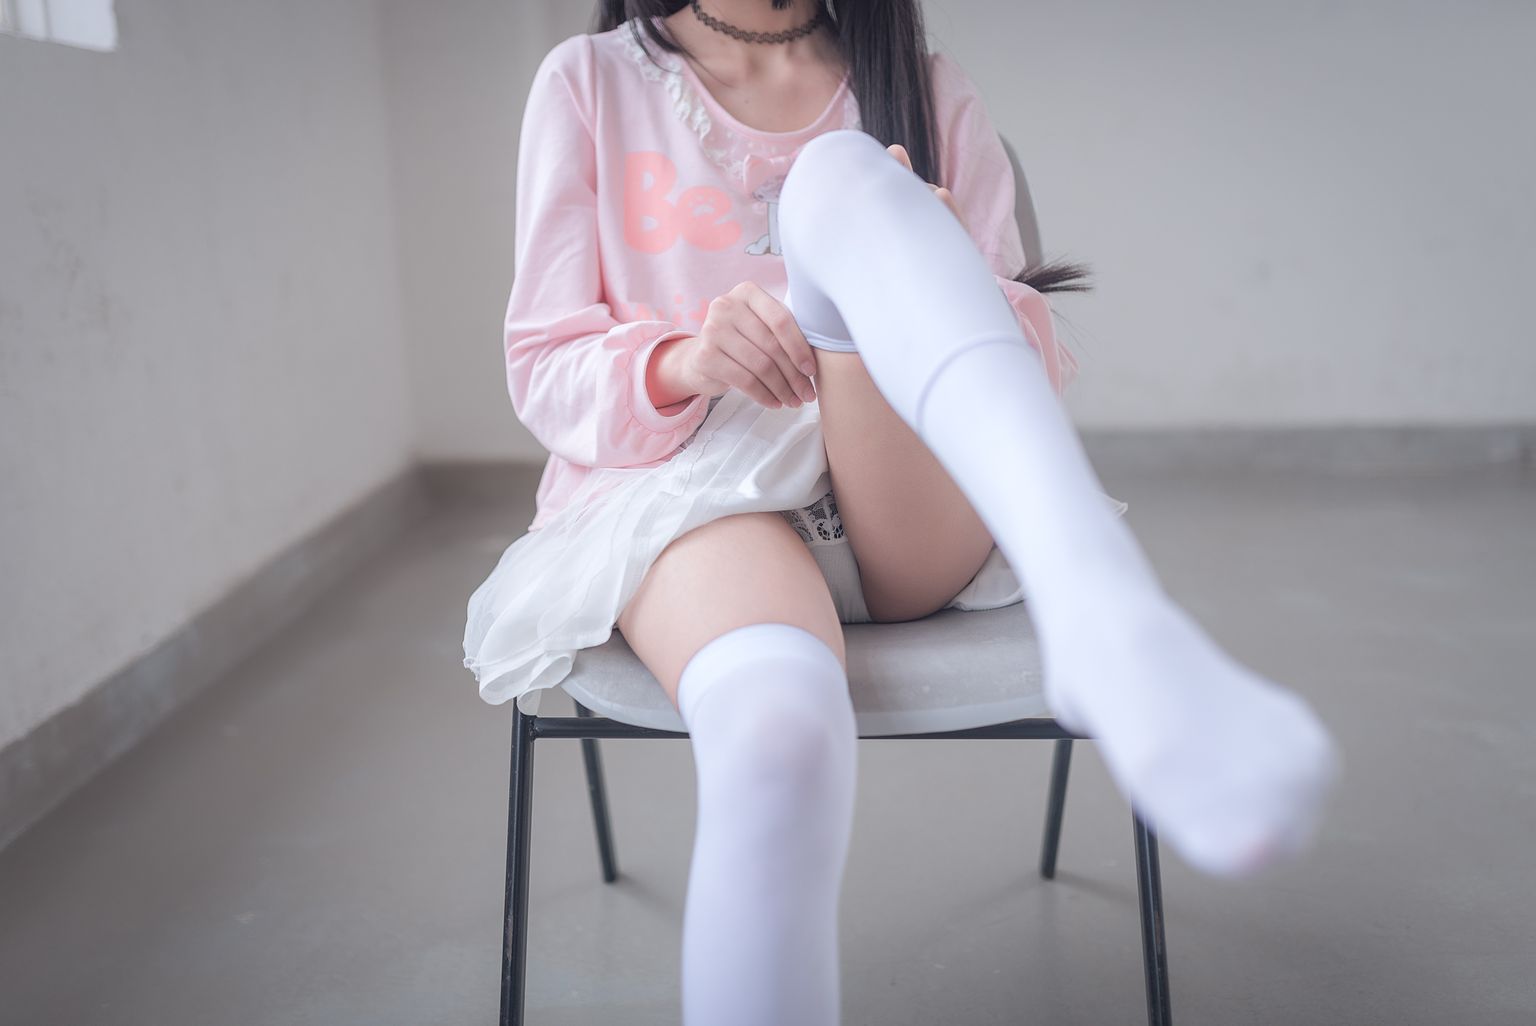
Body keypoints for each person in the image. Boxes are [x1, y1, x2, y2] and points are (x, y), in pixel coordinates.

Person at [463, 3, 1341, 1023]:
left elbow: (1029, 351)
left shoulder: (928, 87)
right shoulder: (589, 82)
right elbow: (545, 366)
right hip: (698, 505)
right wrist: (686, 359)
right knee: (777, 737)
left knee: (842, 178)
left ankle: (1103, 615)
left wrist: (934, 273)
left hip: (902, 498)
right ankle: (1100, 608)